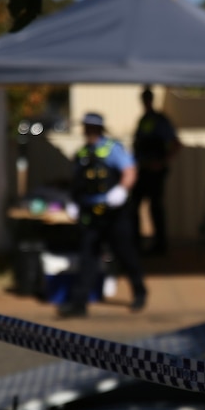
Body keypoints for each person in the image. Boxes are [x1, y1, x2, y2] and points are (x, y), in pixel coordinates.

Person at [58, 112, 147, 317]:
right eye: (86, 127)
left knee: (126, 253)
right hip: (91, 214)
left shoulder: (112, 149)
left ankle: (139, 292)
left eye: (92, 127)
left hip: (114, 213)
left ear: (99, 129)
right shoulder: (82, 154)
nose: (89, 131)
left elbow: (130, 171)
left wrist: (122, 190)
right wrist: (72, 202)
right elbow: (76, 183)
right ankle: (79, 303)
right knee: (87, 257)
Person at [131, 85, 181, 255]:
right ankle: (136, 243)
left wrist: (161, 162)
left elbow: (175, 143)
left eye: (147, 98)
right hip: (143, 169)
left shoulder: (160, 120)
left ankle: (160, 245)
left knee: (155, 207)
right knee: (134, 204)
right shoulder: (143, 120)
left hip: (155, 171)